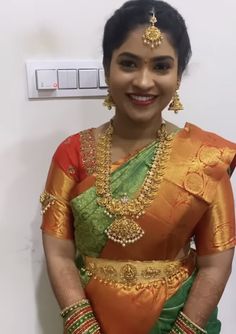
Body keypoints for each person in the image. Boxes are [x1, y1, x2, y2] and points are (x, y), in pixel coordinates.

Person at [40, 0, 236, 333]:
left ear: (178, 76)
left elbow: (215, 262)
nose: (144, 82)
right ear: (107, 68)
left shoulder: (205, 158)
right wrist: (82, 325)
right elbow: (58, 252)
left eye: (161, 67)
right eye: (129, 64)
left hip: (178, 320)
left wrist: (185, 330)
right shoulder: (71, 153)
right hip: (91, 320)